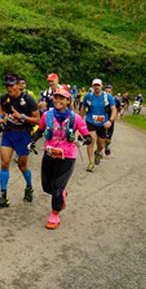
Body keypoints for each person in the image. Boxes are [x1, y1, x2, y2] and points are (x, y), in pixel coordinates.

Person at [31, 87, 91, 229]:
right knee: (47, 187)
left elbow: (87, 137)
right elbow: (40, 131)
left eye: (62, 98)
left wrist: (79, 142)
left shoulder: (75, 118)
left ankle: (54, 215)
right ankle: (62, 194)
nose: (58, 100)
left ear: (68, 101)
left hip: (67, 157)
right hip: (50, 154)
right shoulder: (47, 115)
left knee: (56, 189)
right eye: (56, 97)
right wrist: (32, 141)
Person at [0, 74, 40, 208]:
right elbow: (3, 111)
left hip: (23, 136)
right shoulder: (4, 98)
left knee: (22, 166)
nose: (9, 88)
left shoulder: (28, 100)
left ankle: (29, 187)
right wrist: (0, 118)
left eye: (12, 85)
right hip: (8, 134)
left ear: (19, 85)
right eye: (7, 85)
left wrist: (22, 117)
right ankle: (3, 196)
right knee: (4, 163)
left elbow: (38, 119)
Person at [80, 78, 116, 172]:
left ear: (102, 86)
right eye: (95, 85)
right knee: (90, 140)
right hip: (90, 121)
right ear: (92, 86)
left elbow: (114, 109)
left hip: (103, 123)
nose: (96, 87)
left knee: (101, 144)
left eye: (98, 85)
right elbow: (83, 107)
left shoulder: (107, 96)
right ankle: (91, 163)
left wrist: (110, 121)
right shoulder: (88, 96)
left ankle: (98, 152)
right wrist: (80, 120)